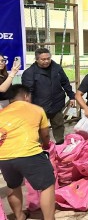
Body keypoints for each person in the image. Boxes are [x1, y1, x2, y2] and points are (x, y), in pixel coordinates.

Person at [0, 84, 55, 220]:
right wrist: (46, 145)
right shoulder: (36, 109)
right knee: (47, 184)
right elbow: (45, 135)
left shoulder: (2, 112)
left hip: (4, 157)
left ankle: (19, 216)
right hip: (29, 153)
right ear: (26, 96)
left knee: (13, 186)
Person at [22, 48, 75, 144]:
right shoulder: (29, 73)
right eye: (43, 59)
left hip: (56, 103)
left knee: (59, 125)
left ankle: (60, 144)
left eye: (48, 58)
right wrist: (29, 107)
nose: (46, 61)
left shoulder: (57, 68)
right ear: (37, 59)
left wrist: (71, 96)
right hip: (39, 107)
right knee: (41, 129)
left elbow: (65, 82)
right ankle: (42, 148)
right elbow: (28, 93)